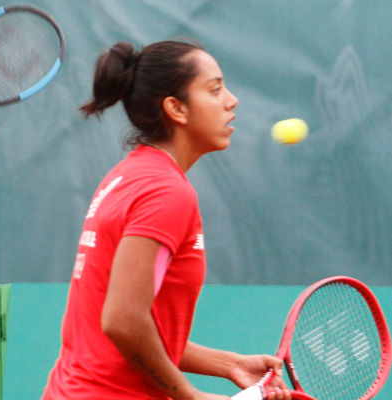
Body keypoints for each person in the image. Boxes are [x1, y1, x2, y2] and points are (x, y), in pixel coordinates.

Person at [41, 40, 292, 400]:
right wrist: (192, 396)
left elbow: (118, 321)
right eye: (215, 89)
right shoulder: (166, 193)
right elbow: (123, 321)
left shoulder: (126, 176)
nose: (231, 100)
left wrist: (227, 364)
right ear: (176, 108)